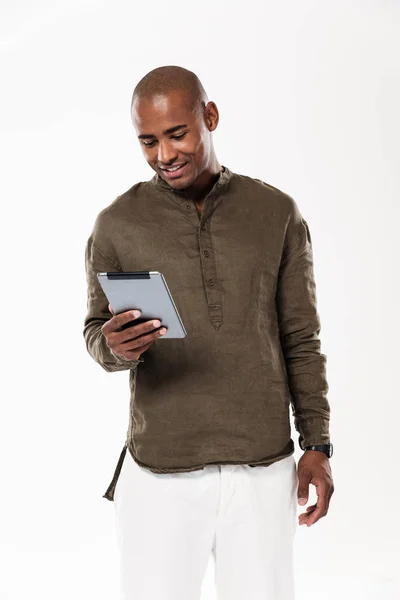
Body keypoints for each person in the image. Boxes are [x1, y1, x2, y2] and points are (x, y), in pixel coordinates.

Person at [83, 65, 334, 600]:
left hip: (265, 467)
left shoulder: (275, 213)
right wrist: (113, 345)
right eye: (148, 141)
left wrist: (318, 443)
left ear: (210, 117)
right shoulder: (117, 225)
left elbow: (302, 337)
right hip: (159, 471)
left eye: (178, 134)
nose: (164, 155)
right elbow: (94, 334)